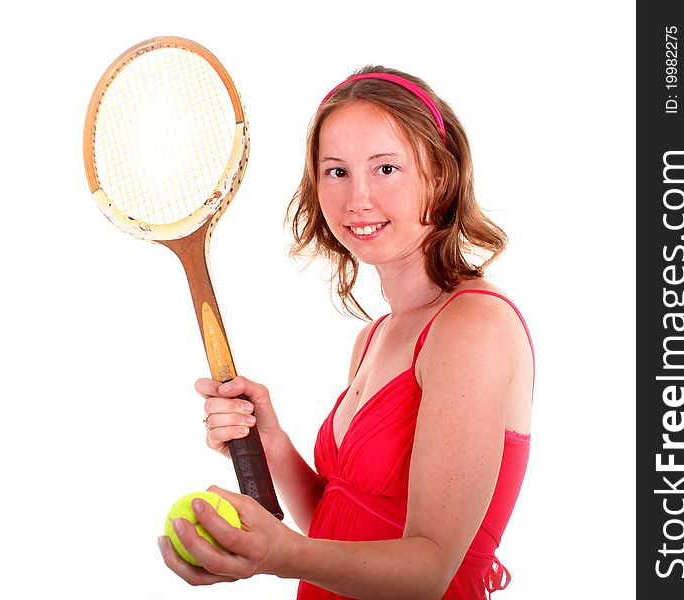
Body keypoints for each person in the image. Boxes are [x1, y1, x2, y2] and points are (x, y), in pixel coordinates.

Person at [158, 65, 535, 600]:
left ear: (442, 172)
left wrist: (281, 553)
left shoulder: (474, 326)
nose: (358, 198)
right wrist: (274, 446)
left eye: (385, 168)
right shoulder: (374, 337)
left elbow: (431, 572)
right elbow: (340, 528)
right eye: (336, 172)